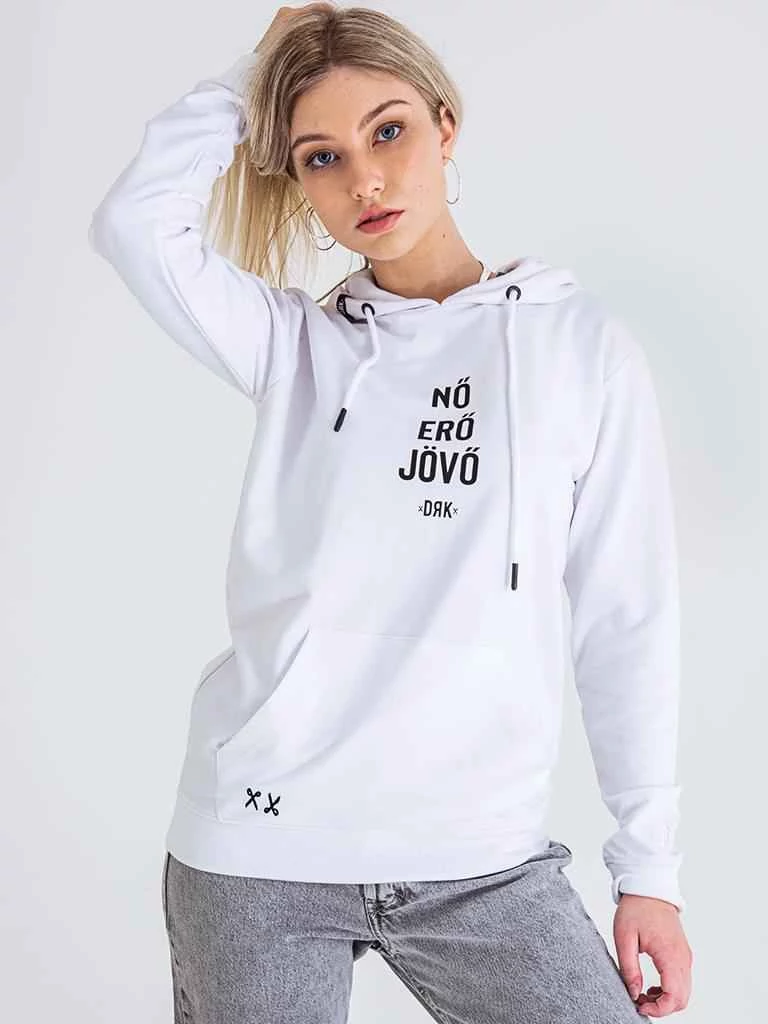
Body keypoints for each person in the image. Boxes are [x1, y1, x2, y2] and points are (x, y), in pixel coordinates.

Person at [88, 3, 693, 1021]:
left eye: (388, 131)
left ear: (446, 126)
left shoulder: (579, 350)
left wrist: (651, 870)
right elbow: (133, 225)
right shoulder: (294, 348)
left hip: (480, 859)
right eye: (321, 157)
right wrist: (257, 69)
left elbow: (626, 617)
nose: (364, 179)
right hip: (260, 852)